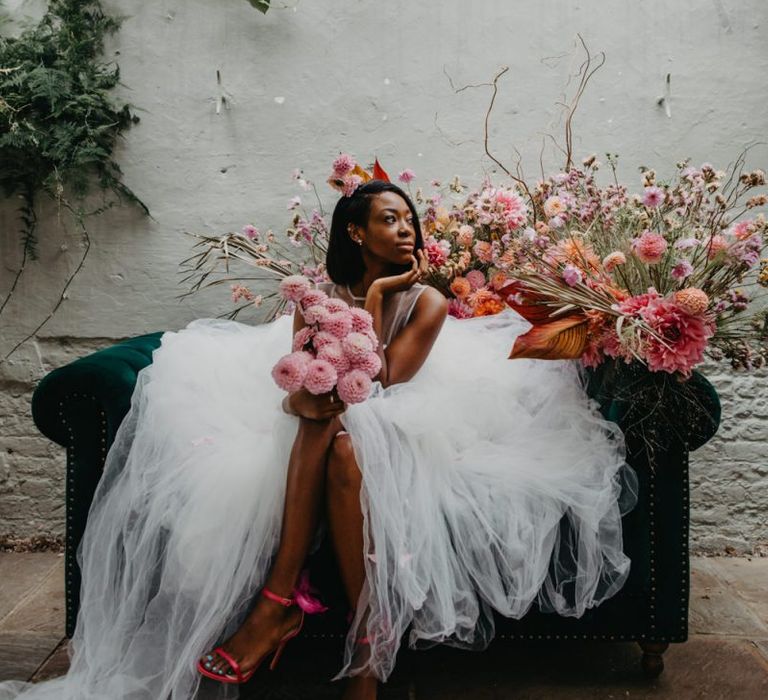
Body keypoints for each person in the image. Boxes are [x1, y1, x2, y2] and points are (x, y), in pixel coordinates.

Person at [0, 180, 636, 700]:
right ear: (356, 232)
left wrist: (384, 296)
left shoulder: (429, 302)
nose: (407, 228)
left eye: (410, 219)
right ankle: (365, 646)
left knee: (342, 430)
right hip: (329, 425)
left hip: (418, 419)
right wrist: (309, 392)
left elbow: (386, 379)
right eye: (390, 219)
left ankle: (282, 604)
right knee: (328, 425)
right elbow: (303, 382)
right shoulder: (315, 300)